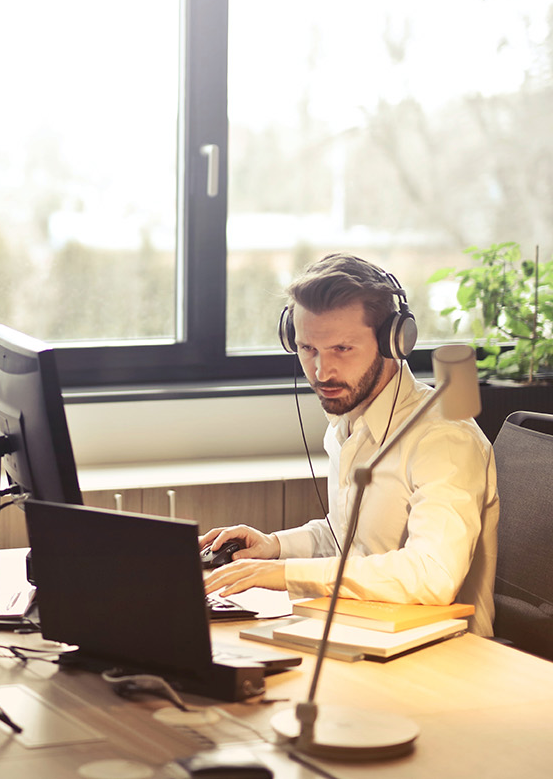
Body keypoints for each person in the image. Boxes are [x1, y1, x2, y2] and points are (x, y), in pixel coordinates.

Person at [201, 253, 499, 636]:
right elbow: (351, 540)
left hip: (442, 654)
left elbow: (432, 575)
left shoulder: (444, 438)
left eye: (342, 349)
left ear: (394, 341)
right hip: (362, 629)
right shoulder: (348, 421)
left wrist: (287, 574)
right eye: (308, 349)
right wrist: (274, 547)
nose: (322, 372)